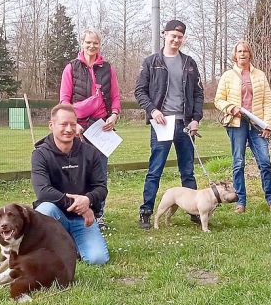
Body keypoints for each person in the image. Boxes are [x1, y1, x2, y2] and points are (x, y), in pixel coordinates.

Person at [135, 19, 204, 229]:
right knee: (155, 169)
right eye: (173, 35)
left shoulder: (189, 63)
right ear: (165, 34)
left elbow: (198, 93)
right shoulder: (151, 62)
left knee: (187, 170)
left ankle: (195, 212)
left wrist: (196, 119)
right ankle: (146, 211)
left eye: (180, 37)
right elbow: (139, 91)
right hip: (162, 123)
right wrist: (153, 110)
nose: (176, 39)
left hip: (184, 124)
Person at [31, 104, 110, 265]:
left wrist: (88, 200)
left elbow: (101, 188)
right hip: (55, 215)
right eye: (63, 124)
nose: (69, 129)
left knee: (98, 259)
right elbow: (43, 192)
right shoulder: (40, 154)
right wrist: (80, 206)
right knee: (44, 210)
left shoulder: (90, 153)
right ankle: (46, 247)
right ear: (51, 125)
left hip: (82, 219)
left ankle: (70, 244)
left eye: (73, 124)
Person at [59, 29, 122, 229]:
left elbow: (116, 97)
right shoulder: (71, 68)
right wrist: (73, 123)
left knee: (100, 173)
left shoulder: (107, 68)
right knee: (75, 172)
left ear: (99, 45)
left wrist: (114, 115)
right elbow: (64, 100)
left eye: (95, 43)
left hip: (101, 127)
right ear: (82, 43)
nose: (92, 46)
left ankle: (99, 214)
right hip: (77, 127)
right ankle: (75, 211)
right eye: (88, 42)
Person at [213, 41, 271, 213]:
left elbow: (268, 101)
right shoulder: (228, 76)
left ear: (250, 54)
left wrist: (267, 125)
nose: (243, 54)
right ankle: (240, 201)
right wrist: (231, 108)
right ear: (235, 55)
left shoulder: (260, 75)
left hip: (257, 124)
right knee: (238, 162)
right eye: (239, 51)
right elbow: (218, 100)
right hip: (237, 124)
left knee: (265, 162)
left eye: (246, 51)